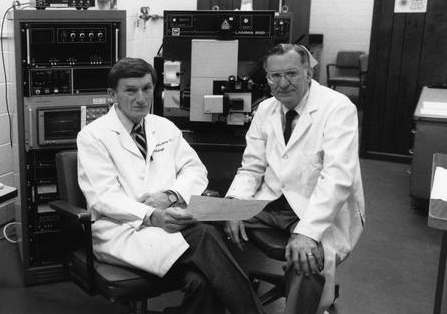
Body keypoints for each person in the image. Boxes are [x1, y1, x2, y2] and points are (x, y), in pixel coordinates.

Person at [77, 57, 263, 314]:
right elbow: (103, 197)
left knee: (203, 282)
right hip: (124, 230)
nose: (141, 98)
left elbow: (195, 169)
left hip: (171, 225)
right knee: (204, 234)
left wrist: (171, 195)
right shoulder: (93, 136)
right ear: (113, 95)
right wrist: (153, 216)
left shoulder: (163, 126)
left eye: (146, 88)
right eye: (131, 90)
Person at [224, 44, 365, 314]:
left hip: (316, 209)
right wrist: (233, 205)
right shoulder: (266, 109)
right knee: (210, 224)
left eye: (291, 73)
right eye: (274, 76)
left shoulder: (337, 108)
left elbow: (337, 178)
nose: (282, 83)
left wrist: (307, 233)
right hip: (272, 201)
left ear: (308, 74)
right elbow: (251, 167)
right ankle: (236, 303)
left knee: (306, 259)